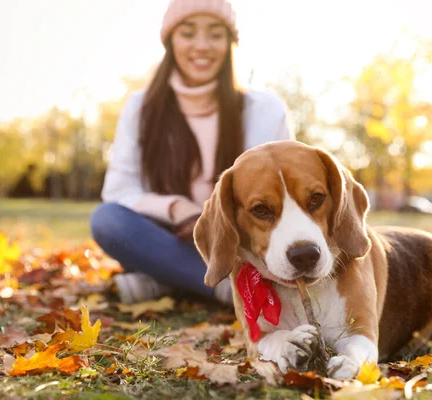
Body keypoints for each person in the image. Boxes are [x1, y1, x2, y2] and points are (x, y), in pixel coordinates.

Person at [90, 0, 294, 305]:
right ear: (170, 41)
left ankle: (165, 281)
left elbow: (283, 194)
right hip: (168, 238)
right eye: (188, 33)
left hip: (239, 240)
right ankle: (228, 287)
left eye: (215, 34)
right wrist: (177, 209)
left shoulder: (264, 109)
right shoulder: (140, 108)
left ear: (229, 42)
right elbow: (119, 190)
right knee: (107, 220)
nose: (202, 46)